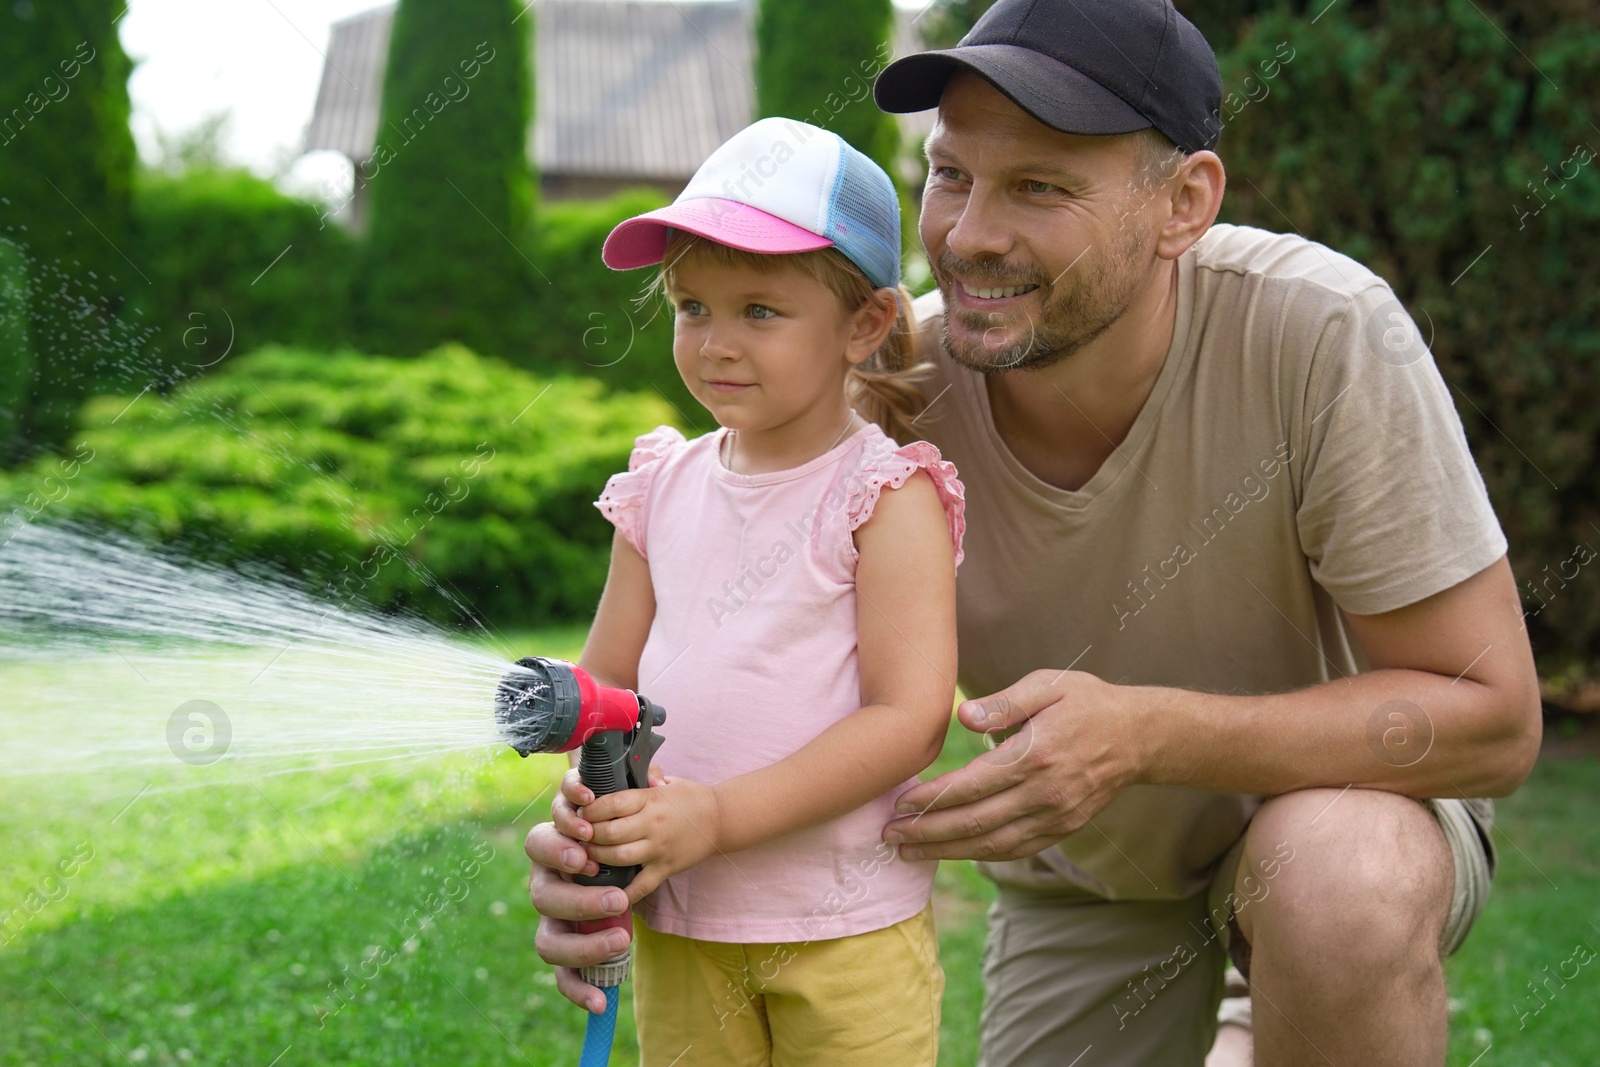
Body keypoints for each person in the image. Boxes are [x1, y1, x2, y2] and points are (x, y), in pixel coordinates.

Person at [529, 2, 1542, 1065]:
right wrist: (606, 834)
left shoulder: (1321, 333)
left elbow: (1493, 717)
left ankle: (1270, 996)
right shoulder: (885, 394)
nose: (967, 236)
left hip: (1332, 811)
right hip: (1091, 870)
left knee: (1337, 876)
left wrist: (1142, 734)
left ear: (1182, 202)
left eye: (1040, 187)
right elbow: (715, 665)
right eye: (951, 174)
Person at [542, 116, 969, 1066]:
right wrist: (592, 801)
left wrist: (719, 817)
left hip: (844, 926)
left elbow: (909, 718)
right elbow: (603, 688)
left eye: (759, 312)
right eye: (692, 307)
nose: (716, 343)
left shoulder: (883, 496)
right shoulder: (660, 486)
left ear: (865, 324)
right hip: (685, 924)